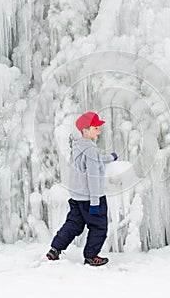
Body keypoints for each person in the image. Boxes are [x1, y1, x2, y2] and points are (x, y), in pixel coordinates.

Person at [46, 111, 118, 266]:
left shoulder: (79, 147)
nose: (99, 131)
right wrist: (94, 202)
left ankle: (55, 248)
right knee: (99, 227)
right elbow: (93, 175)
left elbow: (94, 161)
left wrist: (110, 158)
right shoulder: (91, 149)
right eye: (95, 128)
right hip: (91, 197)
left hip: (77, 197)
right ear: (85, 130)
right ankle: (91, 256)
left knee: (73, 224)